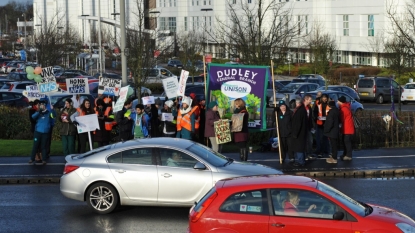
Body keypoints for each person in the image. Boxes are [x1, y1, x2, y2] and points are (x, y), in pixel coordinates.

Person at [28, 100, 56, 165]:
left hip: (45, 132)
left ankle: (44, 159)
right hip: (37, 132)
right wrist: (39, 111)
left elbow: (53, 116)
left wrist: (52, 110)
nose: (41, 106)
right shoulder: (38, 112)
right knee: (35, 145)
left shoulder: (48, 113)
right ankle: (32, 158)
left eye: (42, 105)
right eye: (40, 105)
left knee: (43, 146)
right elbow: (33, 117)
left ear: (45, 105)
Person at [291, 95, 312, 167]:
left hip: (300, 132)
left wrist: (295, 133)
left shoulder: (300, 110)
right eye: (310, 99)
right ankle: (301, 160)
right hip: (302, 131)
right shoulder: (302, 109)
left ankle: (301, 161)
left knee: (299, 147)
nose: (311, 101)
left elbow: (298, 123)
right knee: (301, 147)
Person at [338, 96, 355, 161]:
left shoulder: (344, 109)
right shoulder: (345, 107)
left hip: (347, 128)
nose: (337, 102)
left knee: (347, 142)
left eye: (338, 101)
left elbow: (342, 119)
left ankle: (348, 155)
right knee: (345, 141)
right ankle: (345, 154)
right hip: (347, 128)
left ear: (341, 102)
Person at [313, 93, 330, 158]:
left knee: (325, 138)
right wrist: (316, 117)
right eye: (323, 98)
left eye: (325, 98)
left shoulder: (329, 104)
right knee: (319, 138)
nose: (324, 99)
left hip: (326, 123)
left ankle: (325, 151)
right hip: (319, 123)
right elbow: (314, 111)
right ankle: (319, 150)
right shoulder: (318, 103)